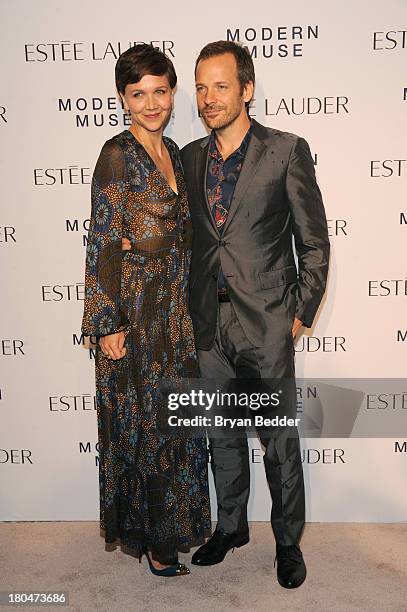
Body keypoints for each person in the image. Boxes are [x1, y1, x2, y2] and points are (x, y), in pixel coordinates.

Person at [180, 41, 330, 588]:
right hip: (208, 322)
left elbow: (314, 242)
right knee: (221, 433)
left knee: (278, 441)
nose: (208, 98)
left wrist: (299, 312)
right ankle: (230, 526)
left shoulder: (287, 150)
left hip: (266, 321)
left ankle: (288, 543)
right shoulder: (190, 156)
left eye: (220, 86)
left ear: (246, 89)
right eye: (200, 87)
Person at [81, 43, 211, 578]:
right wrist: (106, 323)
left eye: (160, 91)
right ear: (123, 99)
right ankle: (157, 543)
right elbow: (103, 243)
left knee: (178, 424)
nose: (151, 103)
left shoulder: (177, 153)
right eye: (139, 94)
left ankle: (172, 529)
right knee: (148, 429)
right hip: (135, 314)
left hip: (177, 313)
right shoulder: (116, 154)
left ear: (173, 92)